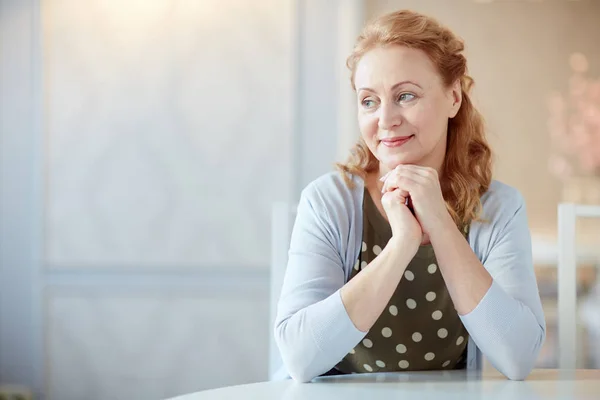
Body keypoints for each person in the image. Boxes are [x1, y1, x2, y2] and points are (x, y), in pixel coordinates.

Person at [273, 9, 545, 382]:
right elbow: (299, 359)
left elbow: (518, 358)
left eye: (405, 96)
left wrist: (438, 220)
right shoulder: (328, 201)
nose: (385, 119)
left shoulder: (499, 207)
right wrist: (402, 244)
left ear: (453, 98)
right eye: (369, 101)